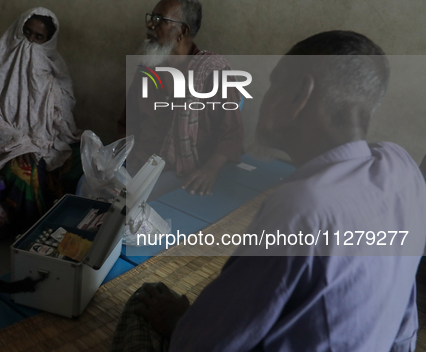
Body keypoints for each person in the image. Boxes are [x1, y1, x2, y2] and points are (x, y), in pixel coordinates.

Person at [112, 31, 426, 351]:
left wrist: (181, 322)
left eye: (276, 83)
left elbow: (210, 342)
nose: (264, 98)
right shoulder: (402, 168)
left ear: (300, 93)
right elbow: (405, 318)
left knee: (143, 297)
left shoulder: (301, 206)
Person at [0, 7, 82, 230]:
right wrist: (20, 144)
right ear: (17, 30)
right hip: (8, 140)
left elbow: (65, 106)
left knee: (81, 162)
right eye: (26, 32)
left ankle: (68, 227)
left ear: (48, 41)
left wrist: (59, 131)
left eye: (38, 38)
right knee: (28, 174)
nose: (29, 41)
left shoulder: (55, 64)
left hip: (49, 136)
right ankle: (35, 233)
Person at [119, 0, 243, 198]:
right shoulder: (148, 70)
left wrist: (210, 169)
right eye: (151, 18)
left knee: (135, 206)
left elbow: (232, 134)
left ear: (182, 30)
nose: (150, 25)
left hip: (181, 171)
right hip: (139, 161)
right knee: (88, 185)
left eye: (159, 20)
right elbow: (126, 123)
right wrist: (120, 161)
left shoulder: (213, 73)